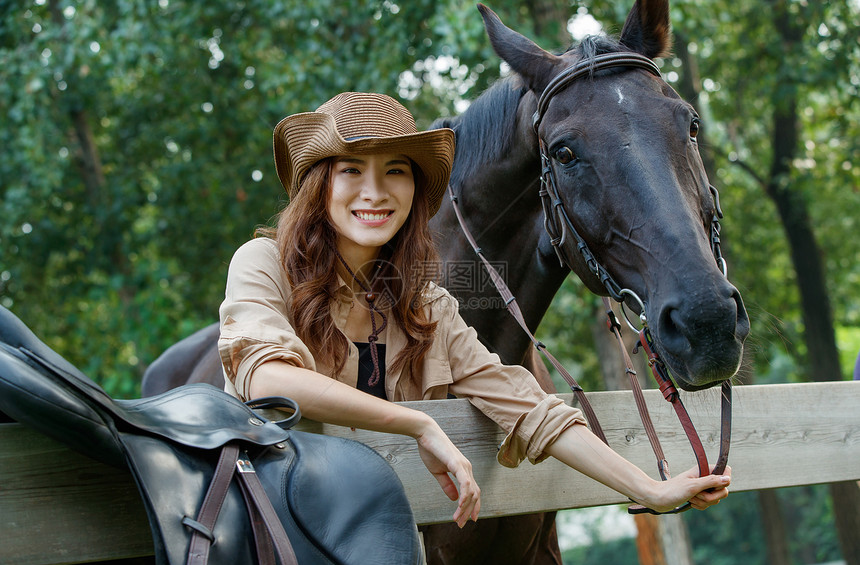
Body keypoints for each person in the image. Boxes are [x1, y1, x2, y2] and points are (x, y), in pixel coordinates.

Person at [217, 92, 731, 529]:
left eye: (395, 171)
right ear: (319, 183)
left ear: (415, 190)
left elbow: (526, 405)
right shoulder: (263, 264)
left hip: (380, 540)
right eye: (351, 169)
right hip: (277, 532)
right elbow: (268, 381)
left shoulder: (424, 302)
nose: (374, 191)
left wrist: (649, 487)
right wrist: (417, 425)